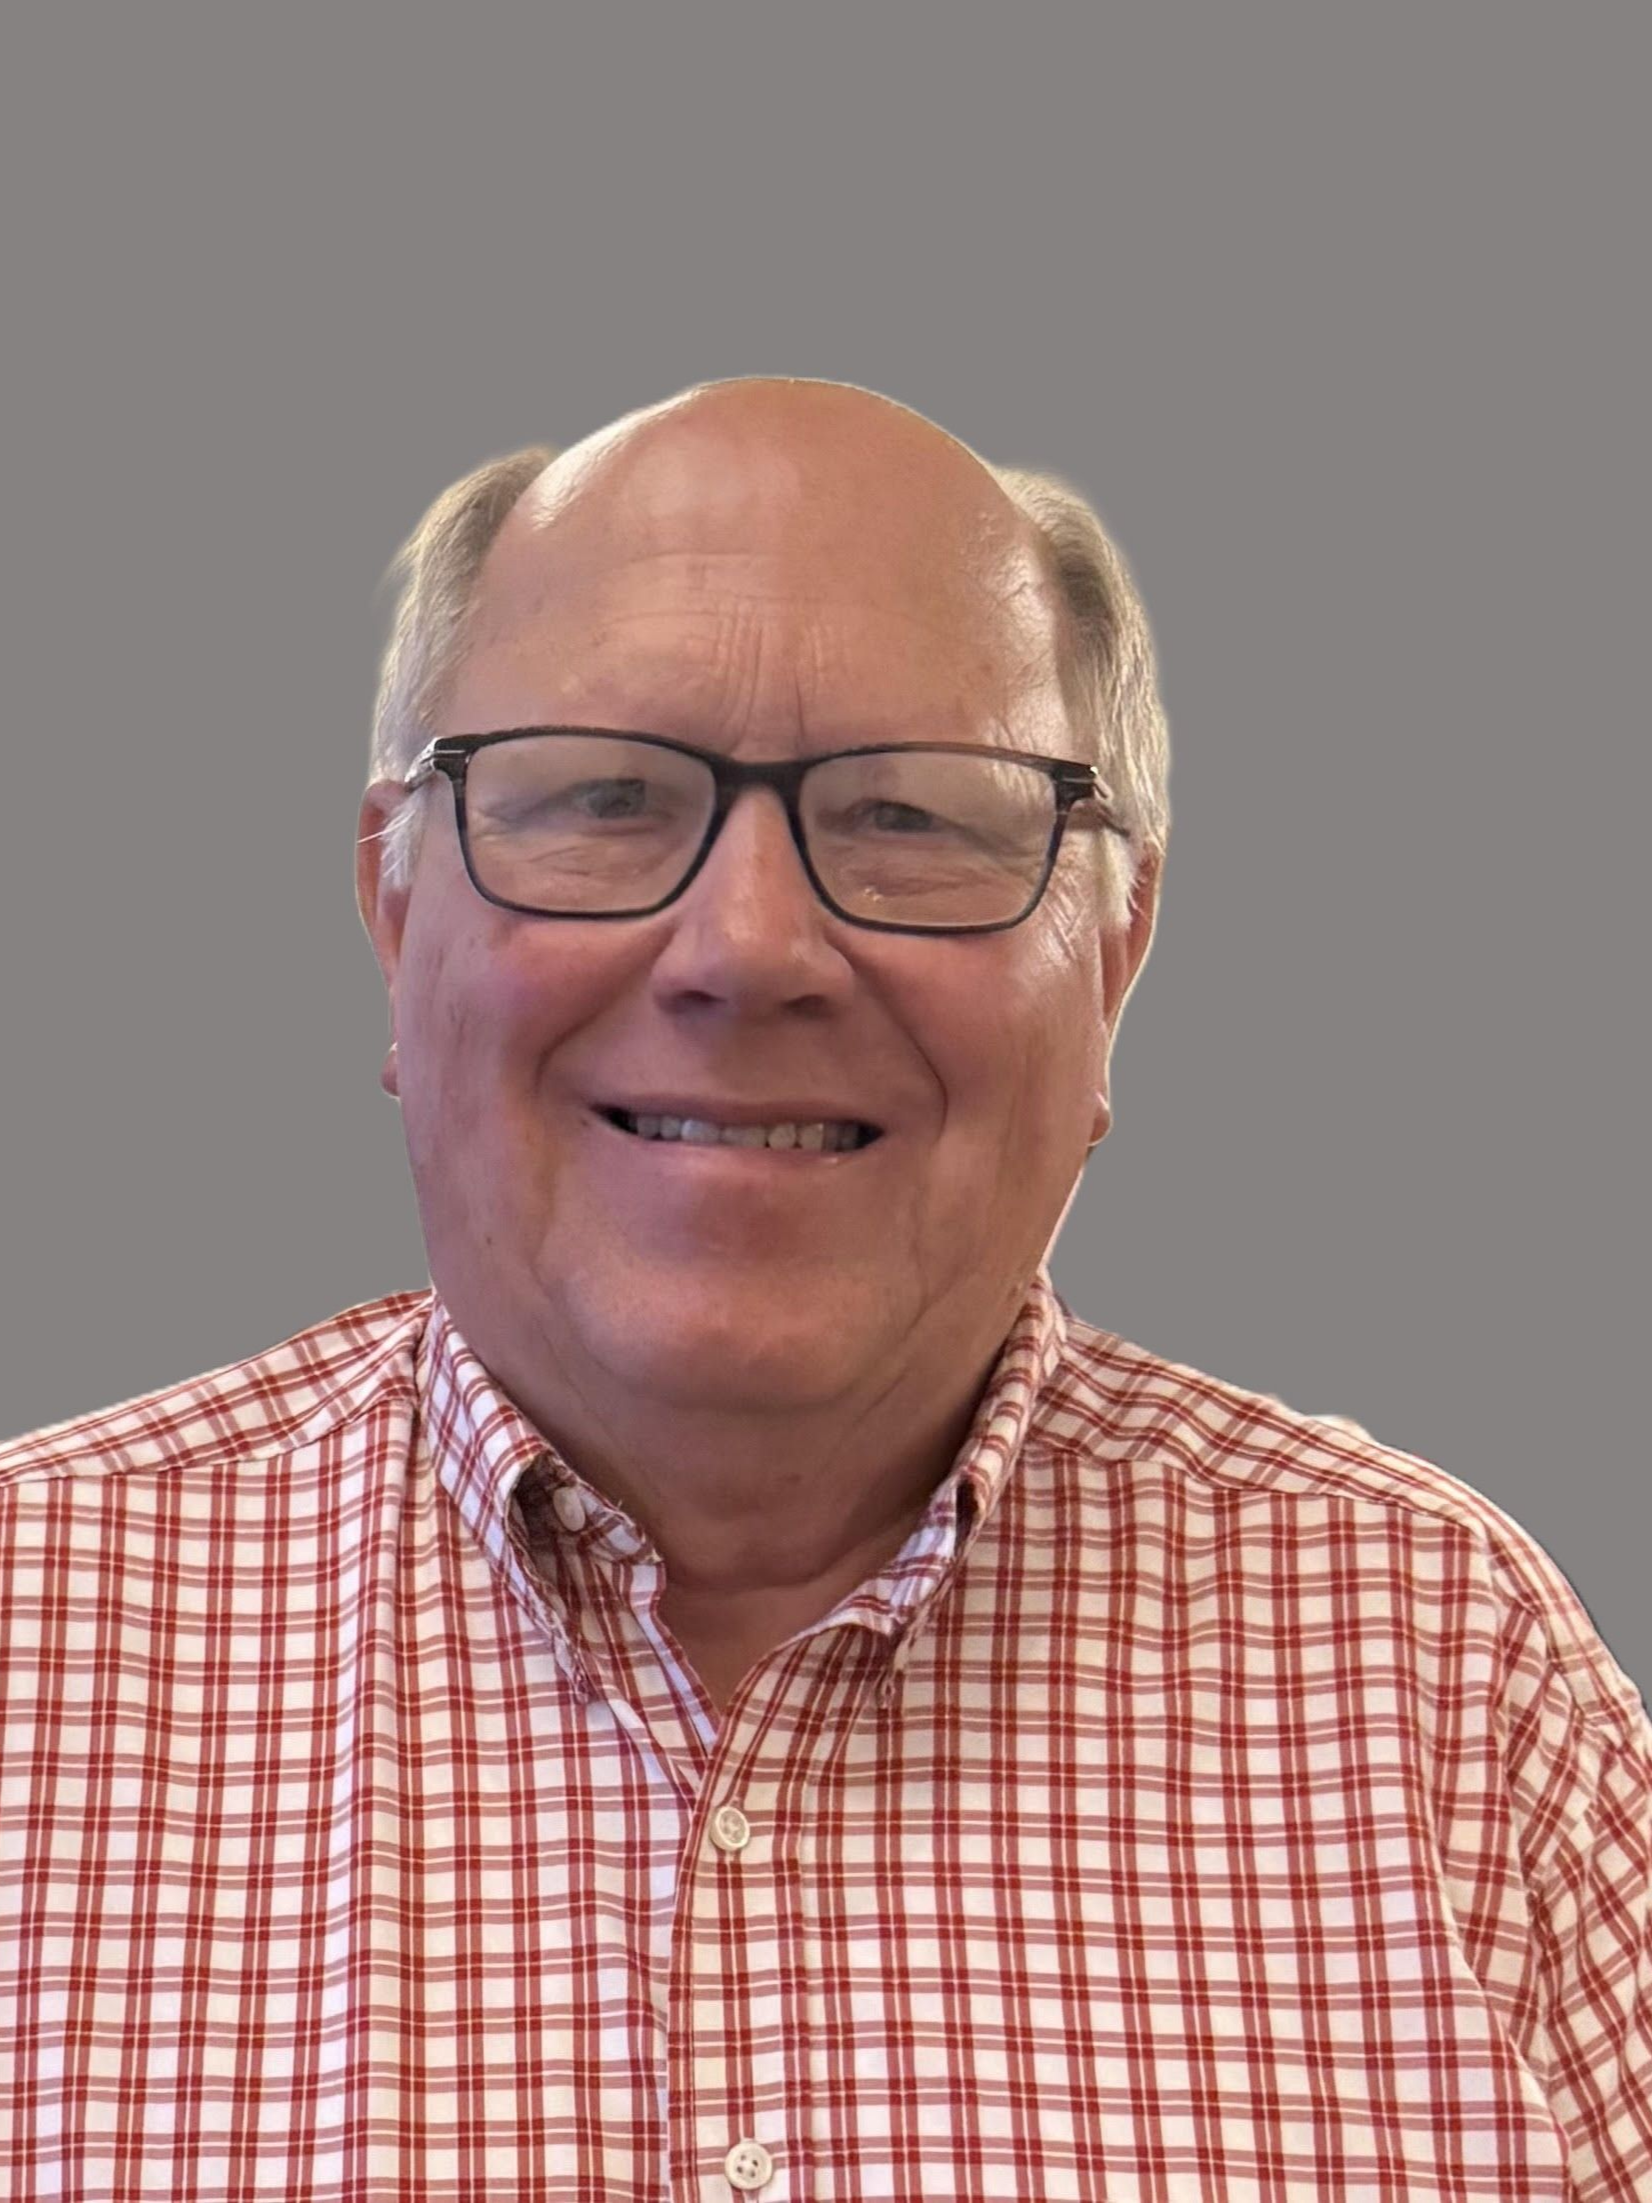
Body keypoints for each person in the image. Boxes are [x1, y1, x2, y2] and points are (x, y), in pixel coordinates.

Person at [0, 378, 1646, 2200]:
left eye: (910, 817)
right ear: (395, 924)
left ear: (1116, 955)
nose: (749, 947)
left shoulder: (1455, 1686)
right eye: (607, 797)